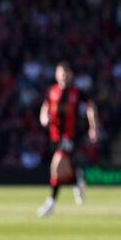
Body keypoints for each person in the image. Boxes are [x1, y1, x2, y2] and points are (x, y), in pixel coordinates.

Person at [37, 61, 100, 217]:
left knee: (56, 166)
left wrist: (93, 127)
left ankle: (51, 202)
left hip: (70, 136)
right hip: (54, 136)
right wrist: (44, 118)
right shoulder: (52, 91)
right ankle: (77, 179)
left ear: (71, 75)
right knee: (63, 170)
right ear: (56, 75)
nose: (64, 76)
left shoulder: (77, 92)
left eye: (66, 73)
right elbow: (45, 108)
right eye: (61, 73)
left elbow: (91, 106)